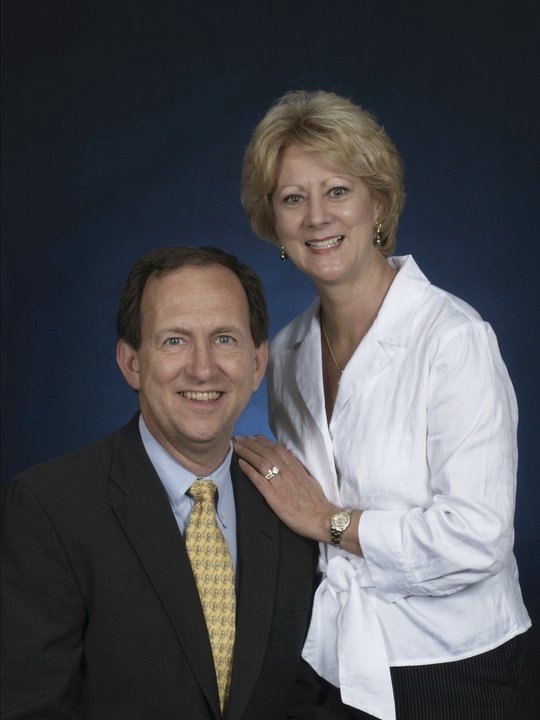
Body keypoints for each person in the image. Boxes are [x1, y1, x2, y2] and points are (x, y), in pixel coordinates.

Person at [234, 90, 531, 720]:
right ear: (274, 223)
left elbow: (478, 538)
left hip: (452, 666)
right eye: (293, 199)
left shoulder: (453, 339)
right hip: (329, 658)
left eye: (337, 190)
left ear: (378, 201)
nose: (317, 217)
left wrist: (329, 521)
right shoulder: (287, 351)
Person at [1, 246, 339, 720]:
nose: (202, 368)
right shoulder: (48, 509)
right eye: (175, 340)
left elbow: (306, 695)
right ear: (132, 363)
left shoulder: (290, 505)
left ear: (258, 362)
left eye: (224, 339)